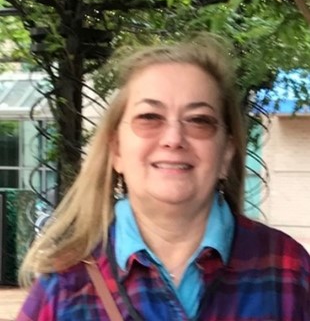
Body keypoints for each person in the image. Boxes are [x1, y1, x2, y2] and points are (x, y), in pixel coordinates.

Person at [17, 34, 310, 321]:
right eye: (149, 117)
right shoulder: (66, 284)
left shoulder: (287, 268)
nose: (173, 138)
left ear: (226, 154)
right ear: (116, 149)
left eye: (199, 120)